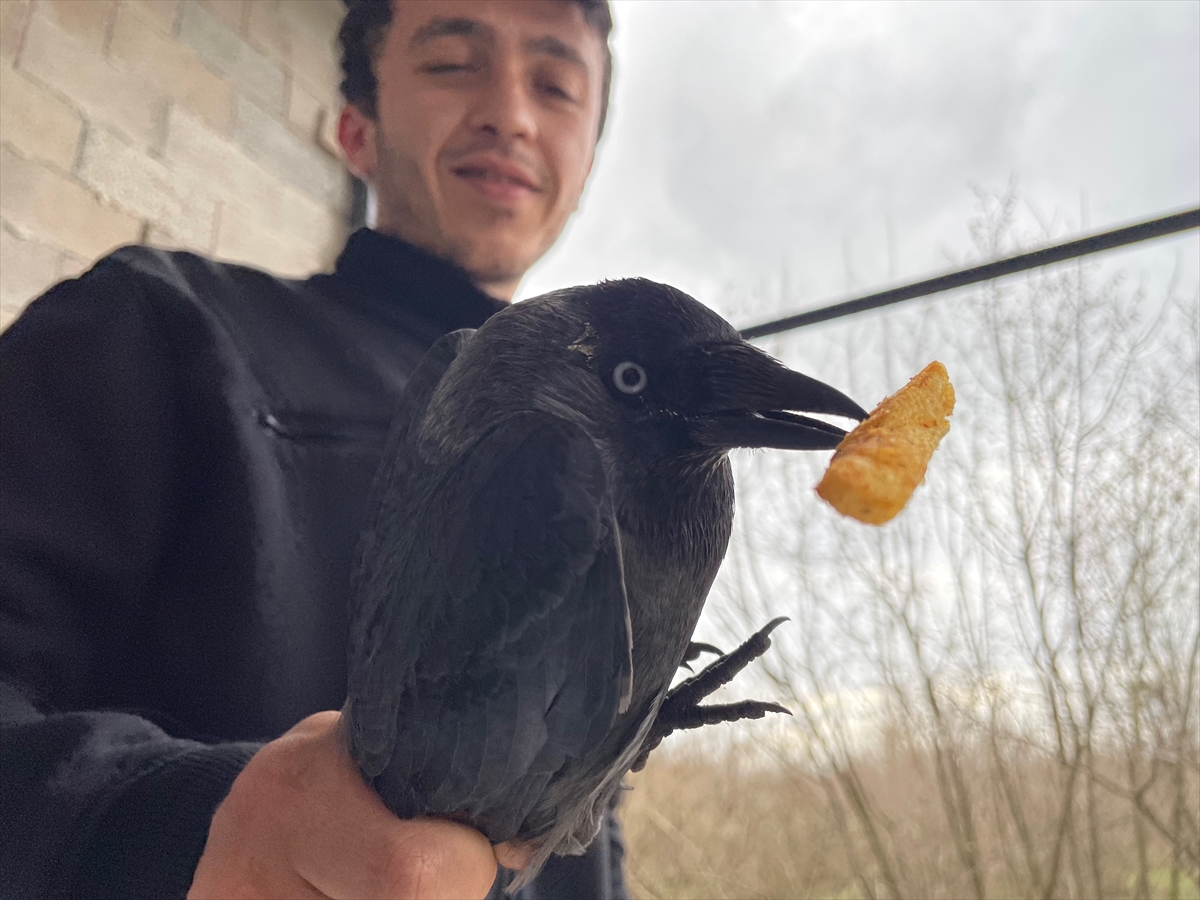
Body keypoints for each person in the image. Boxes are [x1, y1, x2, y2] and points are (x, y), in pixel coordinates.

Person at [0, 1, 628, 897]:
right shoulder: (156, 327)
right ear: (356, 132)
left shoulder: (610, 467)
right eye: (452, 64)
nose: (513, 114)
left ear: (586, 162)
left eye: (557, 85)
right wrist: (190, 834)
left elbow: (590, 840)